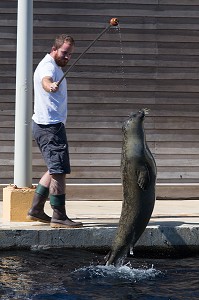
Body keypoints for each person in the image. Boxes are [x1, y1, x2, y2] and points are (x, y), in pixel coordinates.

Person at [27, 34, 83, 228]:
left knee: (53, 168)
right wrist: (49, 85)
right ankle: (59, 216)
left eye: (70, 55)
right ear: (54, 49)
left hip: (49, 125)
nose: (67, 57)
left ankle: (35, 210)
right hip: (49, 127)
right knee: (59, 171)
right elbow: (46, 79)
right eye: (64, 53)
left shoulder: (54, 65)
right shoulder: (48, 66)